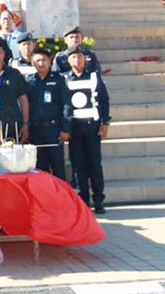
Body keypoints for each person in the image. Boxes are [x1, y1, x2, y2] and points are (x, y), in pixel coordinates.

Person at [64, 45, 111, 213]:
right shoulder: (65, 78)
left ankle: (99, 200)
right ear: (68, 60)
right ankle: (83, 201)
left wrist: (105, 123)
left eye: (80, 57)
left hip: (92, 127)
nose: (77, 60)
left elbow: (104, 100)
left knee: (95, 165)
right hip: (74, 129)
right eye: (74, 57)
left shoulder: (94, 76)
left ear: (85, 58)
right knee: (78, 166)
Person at [26, 47, 71, 179]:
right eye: (38, 60)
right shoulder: (29, 81)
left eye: (44, 60)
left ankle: (61, 199)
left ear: (50, 61)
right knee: (40, 170)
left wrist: (65, 129)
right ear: (32, 63)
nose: (41, 63)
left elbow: (67, 105)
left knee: (58, 169)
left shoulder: (58, 79)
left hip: (54, 130)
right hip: (35, 131)